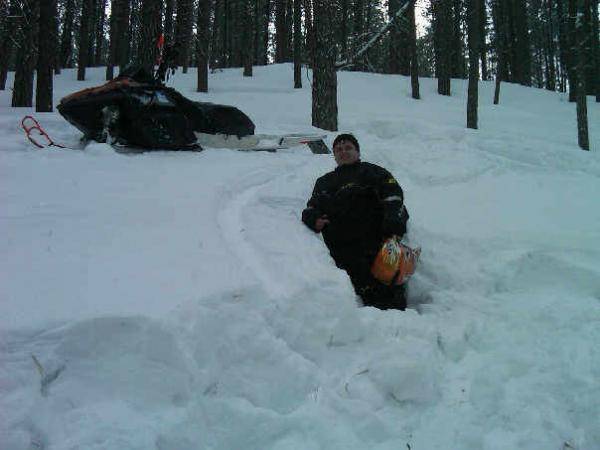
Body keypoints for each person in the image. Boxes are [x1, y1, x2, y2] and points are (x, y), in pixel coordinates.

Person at [302, 134, 410, 310]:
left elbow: (393, 194)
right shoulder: (324, 182)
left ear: (357, 152)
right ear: (334, 155)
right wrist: (313, 219)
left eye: (348, 148)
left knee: (388, 289)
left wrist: (392, 219)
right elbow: (312, 208)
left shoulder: (373, 171)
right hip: (344, 244)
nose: (343, 152)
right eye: (338, 149)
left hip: (378, 236)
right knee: (358, 291)